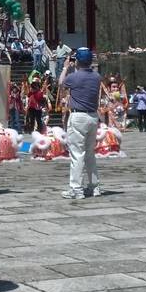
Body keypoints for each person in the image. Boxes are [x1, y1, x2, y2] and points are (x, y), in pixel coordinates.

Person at [59, 48, 103, 200]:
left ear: (77, 61)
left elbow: (61, 83)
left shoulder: (74, 77)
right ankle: (94, 186)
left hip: (78, 116)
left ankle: (76, 188)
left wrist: (65, 67)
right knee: (90, 154)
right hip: (93, 116)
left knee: (77, 154)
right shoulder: (97, 77)